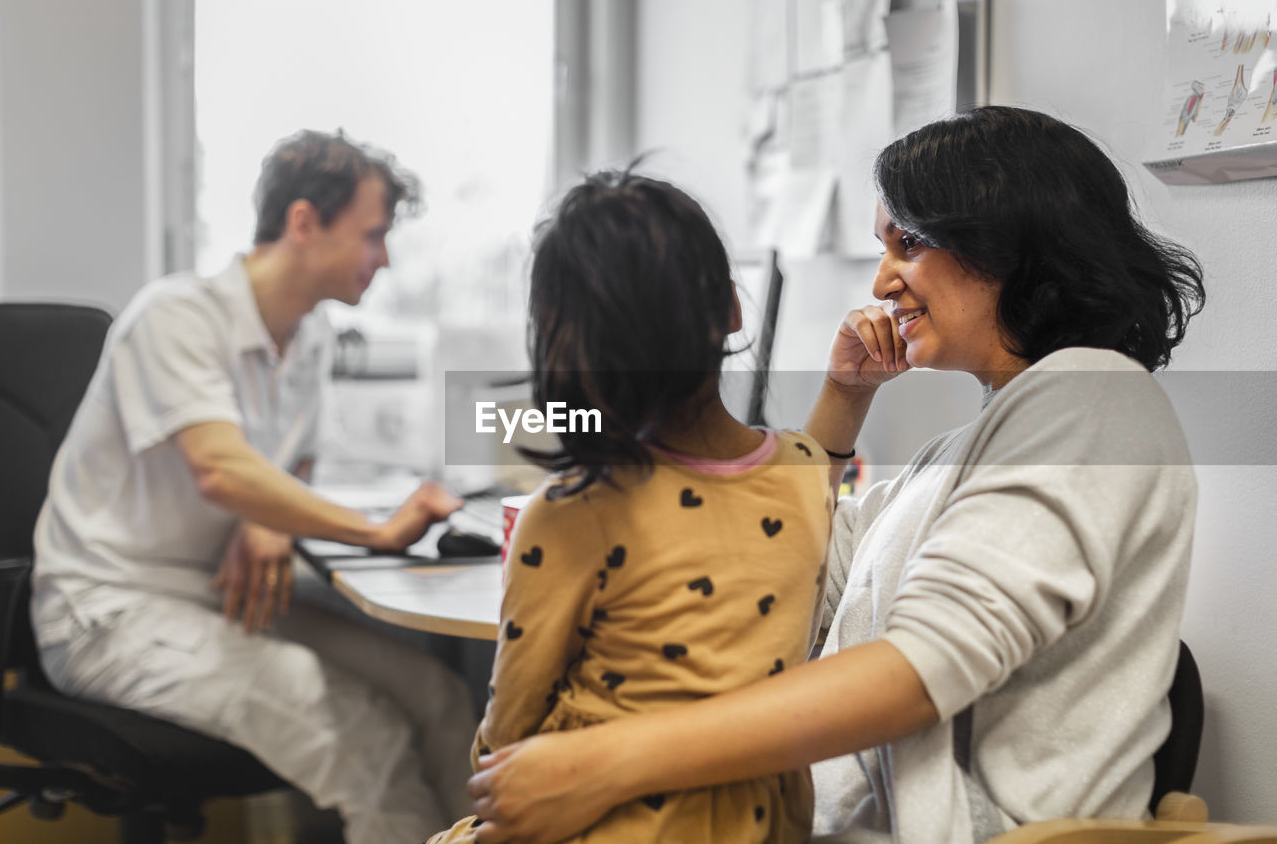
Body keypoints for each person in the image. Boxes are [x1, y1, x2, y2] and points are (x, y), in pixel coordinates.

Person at [461, 106, 1207, 844]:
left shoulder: (1094, 396)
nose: (883, 282)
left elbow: (918, 670)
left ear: (1010, 245)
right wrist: (842, 399)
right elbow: (791, 558)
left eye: (907, 243)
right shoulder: (958, 451)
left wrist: (602, 763)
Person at [32, 130, 476, 844]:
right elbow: (221, 467)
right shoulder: (175, 316)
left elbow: (282, 463)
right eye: (372, 235)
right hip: (108, 611)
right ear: (304, 223)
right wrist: (375, 530)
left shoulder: (311, 335)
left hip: (220, 593)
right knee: (369, 739)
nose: (384, 258)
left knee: (442, 696)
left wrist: (265, 521)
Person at [429, 170, 835, 843]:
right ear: (733, 310)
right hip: (763, 824)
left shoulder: (571, 513)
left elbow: (504, 748)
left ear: (567, 349)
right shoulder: (805, 475)